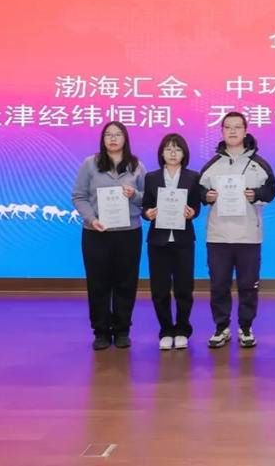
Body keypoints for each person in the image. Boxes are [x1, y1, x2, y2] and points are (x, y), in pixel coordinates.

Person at [199, 112, 275, 349]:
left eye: (237, 127)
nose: (232, 131)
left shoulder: (259, 163)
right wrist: (206, 196)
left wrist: (257, 194)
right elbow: (198, 192)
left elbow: (271, 191)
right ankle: (221, 327)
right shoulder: (212, 165)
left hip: (248, 235)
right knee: (219, 285)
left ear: (245, 131)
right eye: (228, 127)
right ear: (221, 131)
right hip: (218, 235)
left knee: (248, 285)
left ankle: (246, 327)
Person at [71, 121, 146, 351]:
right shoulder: (90, 164)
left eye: (117, 134)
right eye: (108, 135)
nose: (113, 139)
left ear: (125, 138)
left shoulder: (137, 166)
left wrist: (134, 194)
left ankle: (122, 330)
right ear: (102, 139)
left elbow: (148, 199)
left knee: (126, 283)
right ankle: (101, 331)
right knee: (98, 284)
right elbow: (79, 196)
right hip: (96, 233)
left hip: (129, 233)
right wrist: (91, 219)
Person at [141, 133, 201, 351]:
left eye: (177, 149)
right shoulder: (152, 177)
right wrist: (148, 213)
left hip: (183, 240)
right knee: (160, 289)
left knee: (184, 288)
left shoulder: (193, 177)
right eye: (168, 149)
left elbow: (196, 206)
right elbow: (145, 206)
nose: (173, 153)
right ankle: (166, 330)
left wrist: (192, 212)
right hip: (158, 241)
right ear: (161, 153)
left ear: (184, 153)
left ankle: (183, 329)